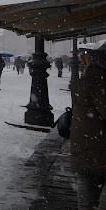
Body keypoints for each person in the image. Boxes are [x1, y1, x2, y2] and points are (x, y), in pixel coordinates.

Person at [70, 48, 106, 210]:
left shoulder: (83, 81)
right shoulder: (98, 81)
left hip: (83, 140)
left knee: (85, 181)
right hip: (96, 142)